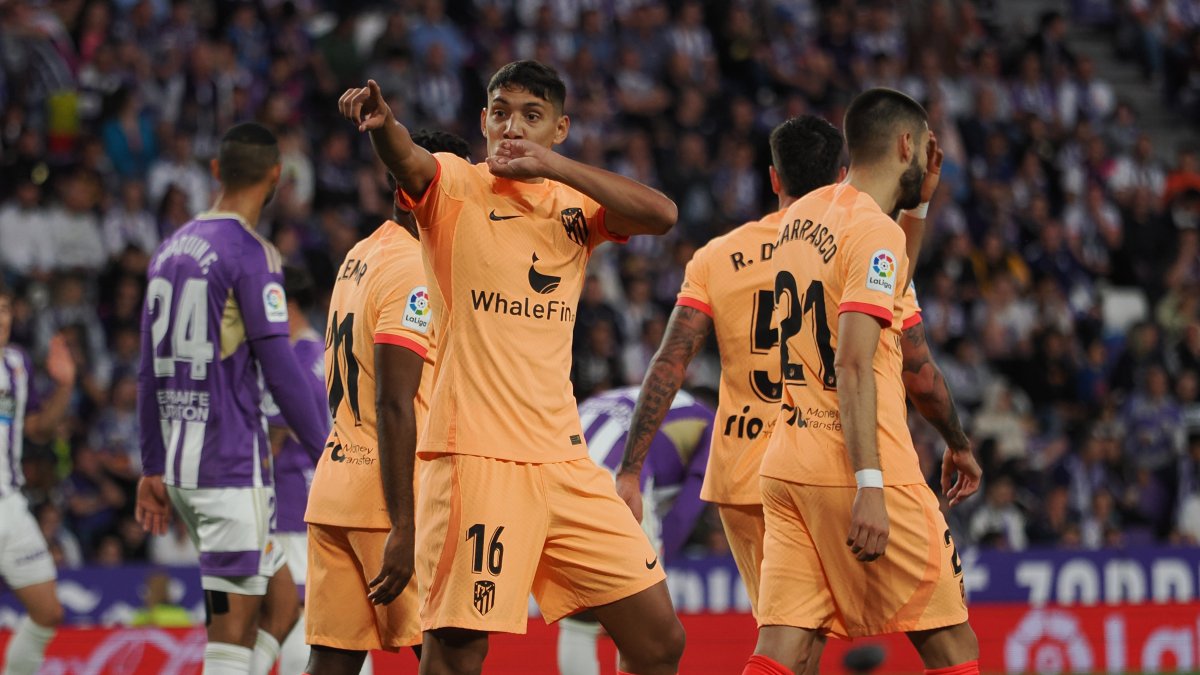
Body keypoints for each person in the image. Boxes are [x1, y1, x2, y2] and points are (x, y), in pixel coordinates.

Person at [340, 59, 685, 675]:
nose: (512, 127)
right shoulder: (455, 185)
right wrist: (384, 124)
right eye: (500, 114)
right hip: (477, 461)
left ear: (560, 128)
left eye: (531, 116)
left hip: (564, 461)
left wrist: (555, 167)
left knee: (660, 641)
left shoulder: (576, 205)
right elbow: (409, 160)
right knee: (456, 656)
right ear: (483, 121)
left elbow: (662, 214)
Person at [618, 113, 974, 654]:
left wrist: (631, 469)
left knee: (790, 642)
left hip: (749, 475)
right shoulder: (856, 235)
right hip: (837, 457)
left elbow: (671, 360)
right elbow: (905, 340)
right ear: (841, 173)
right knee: (939, 636)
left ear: (773, 177)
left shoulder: (719, 255)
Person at [742, 89, 982, 675]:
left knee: (784, 650)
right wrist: (869, 485)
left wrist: (918, 210)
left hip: (789, 463)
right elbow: (853, 362)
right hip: (863, 470)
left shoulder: (801, 216)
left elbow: (887, 288)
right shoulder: (875, 232)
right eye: (924, 148)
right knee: (954, 648)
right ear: (906, 145)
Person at [134, 122, 329, 675]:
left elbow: (147, 371)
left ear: (217, 171)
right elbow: (280, 368)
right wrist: (327, 452)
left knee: (283, 606)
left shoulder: (168, 250)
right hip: (229, 469)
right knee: (231, 635)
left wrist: (152, 465)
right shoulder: (252, 254)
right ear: (276, 177)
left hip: (183, 466)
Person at [302, 129, 471, 675]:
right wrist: (404, 524)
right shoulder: (413, 270)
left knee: (331, 662)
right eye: (452, 184)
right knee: (448, 659)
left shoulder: (360, 254)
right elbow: (394, 401)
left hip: (336, 489)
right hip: (392, 501)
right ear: (409, 188)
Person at [558, 386, 714, 675]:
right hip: (618, 480)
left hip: (557, 469)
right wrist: (653, 578)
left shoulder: (625, 395)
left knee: (579, 618)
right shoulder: (714, 427)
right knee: (647, 634)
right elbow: (684, 514)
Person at [0, 294, 74, 675]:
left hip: (10, 506)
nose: (0, 319)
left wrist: (65, 386)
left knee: (48, 613)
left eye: (3, 309)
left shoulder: (16, 365)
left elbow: (38, 429)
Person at [263, 265, 329, 675]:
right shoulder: (323, 351)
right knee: (322, 611)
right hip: (313, 493)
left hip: (292, 499)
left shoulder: (297, 360)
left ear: (287, 305)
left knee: (297, 611)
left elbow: (273, 434)